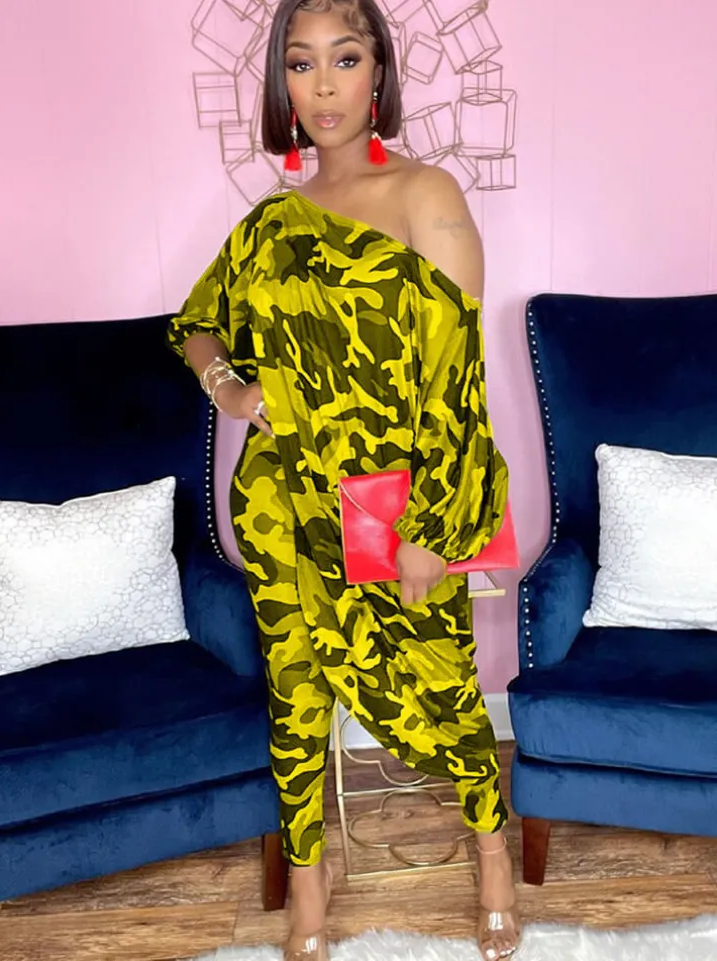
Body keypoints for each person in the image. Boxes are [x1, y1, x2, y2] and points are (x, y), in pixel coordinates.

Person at [168, 0, 521, 958]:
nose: (323, 84)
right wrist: (229, 386)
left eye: (345, 58)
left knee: (442, 688)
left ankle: (492, 848)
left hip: (392, 507)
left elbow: (457, 382)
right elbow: (196, 323)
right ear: (282, 83)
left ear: (379, 74)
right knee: (294, 698)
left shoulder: (426, 195)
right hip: (281, 505)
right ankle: (308, 880)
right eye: (301, 63)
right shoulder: (266, 226)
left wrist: (433, 530)